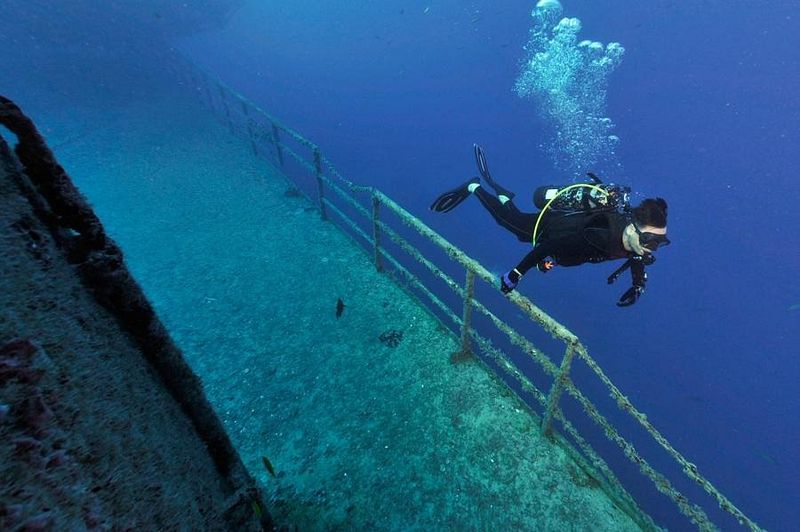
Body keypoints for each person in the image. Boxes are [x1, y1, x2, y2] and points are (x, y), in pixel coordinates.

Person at [430, 145, 670, 306]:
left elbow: (637, 258)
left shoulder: (635, 243)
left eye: (659, 242)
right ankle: (474, 187)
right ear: (632, 228)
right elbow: (548, 247)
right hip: (548, 228)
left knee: (515, 217)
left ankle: (504, 195)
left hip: (562, 244)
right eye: (650, 240)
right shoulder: (599, 234)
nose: (652, 249)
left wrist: (638, 286)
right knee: (510, 223)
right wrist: (515, 274)